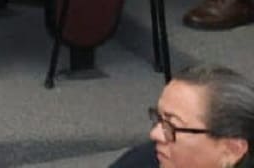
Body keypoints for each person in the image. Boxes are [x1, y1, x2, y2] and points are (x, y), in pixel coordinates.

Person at [107, 66, 254, 168]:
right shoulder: (144, 160)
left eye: (172, 126)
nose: (155, 134)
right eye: (158, 118)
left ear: (232, 150)